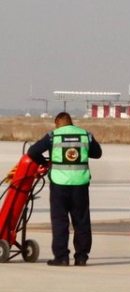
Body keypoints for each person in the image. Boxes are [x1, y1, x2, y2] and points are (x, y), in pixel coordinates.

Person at [29, 112, 101, 266]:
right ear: (71, 122)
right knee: (81, 221)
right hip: (80, 184)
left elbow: (32, 152)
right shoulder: (85, 135)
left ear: (57, 123)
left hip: (59, 184)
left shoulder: (52, 136)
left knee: (60, 221)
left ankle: (61, 257)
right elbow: (97, 153)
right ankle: (81, 257)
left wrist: (45, 163)